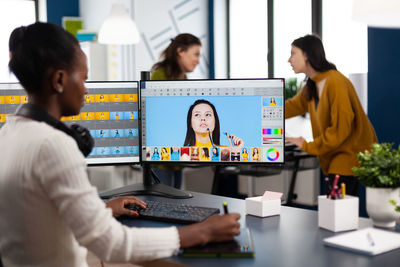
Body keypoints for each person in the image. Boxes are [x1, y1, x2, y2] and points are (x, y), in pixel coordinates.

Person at [0, 22, 240, 266]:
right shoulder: (53, 145)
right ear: (59, 79)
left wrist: (101, 211)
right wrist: (202, 232)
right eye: (83, 79)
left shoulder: (8, 134)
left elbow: (41, 215)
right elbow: (112, 243)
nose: (86, 90)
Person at [286, 34, 377, 196]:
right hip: (334, 155)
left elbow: (340, 130)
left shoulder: (335, 82)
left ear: (306, 55)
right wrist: (258, 113)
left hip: (347, 156)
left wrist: (307, 145)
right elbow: (293, 107)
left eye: (293, 53)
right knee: (335, 212)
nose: (289, 59)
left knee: (339, 214)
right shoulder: (313, 84)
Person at [150, 33, 202, 188]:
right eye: (196, 54)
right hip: (161, 157)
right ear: (181, 51)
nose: (198, 61)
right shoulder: (159, 75)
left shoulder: (183, 78)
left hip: (178, 156)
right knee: (163, 202)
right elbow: (160, 115)